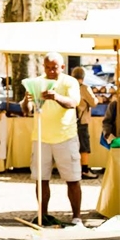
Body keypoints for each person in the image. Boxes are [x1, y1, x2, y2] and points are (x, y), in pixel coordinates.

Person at [22, 52, 83, 227]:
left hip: (65, 136)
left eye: (54, 67)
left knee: (72, 178)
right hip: (41, 138)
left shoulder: (69, 82)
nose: (50, 71)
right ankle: (42, 215)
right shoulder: (37, 82)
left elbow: (73, 103)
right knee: (41, 179)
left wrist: (55, 97)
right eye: (47, 67)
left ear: (62, 67)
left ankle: (77, 217)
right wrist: (26, 101)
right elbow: (26, 109)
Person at [71, 67, 99, 179]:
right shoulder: (85, 88)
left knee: (73, 146)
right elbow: (93, 103)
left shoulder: (70, 87)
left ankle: (74, 169)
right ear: (83, 76)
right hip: (81, 121)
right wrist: (97, 99)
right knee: (84, 147)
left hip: (69, 121)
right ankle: (85, 170)